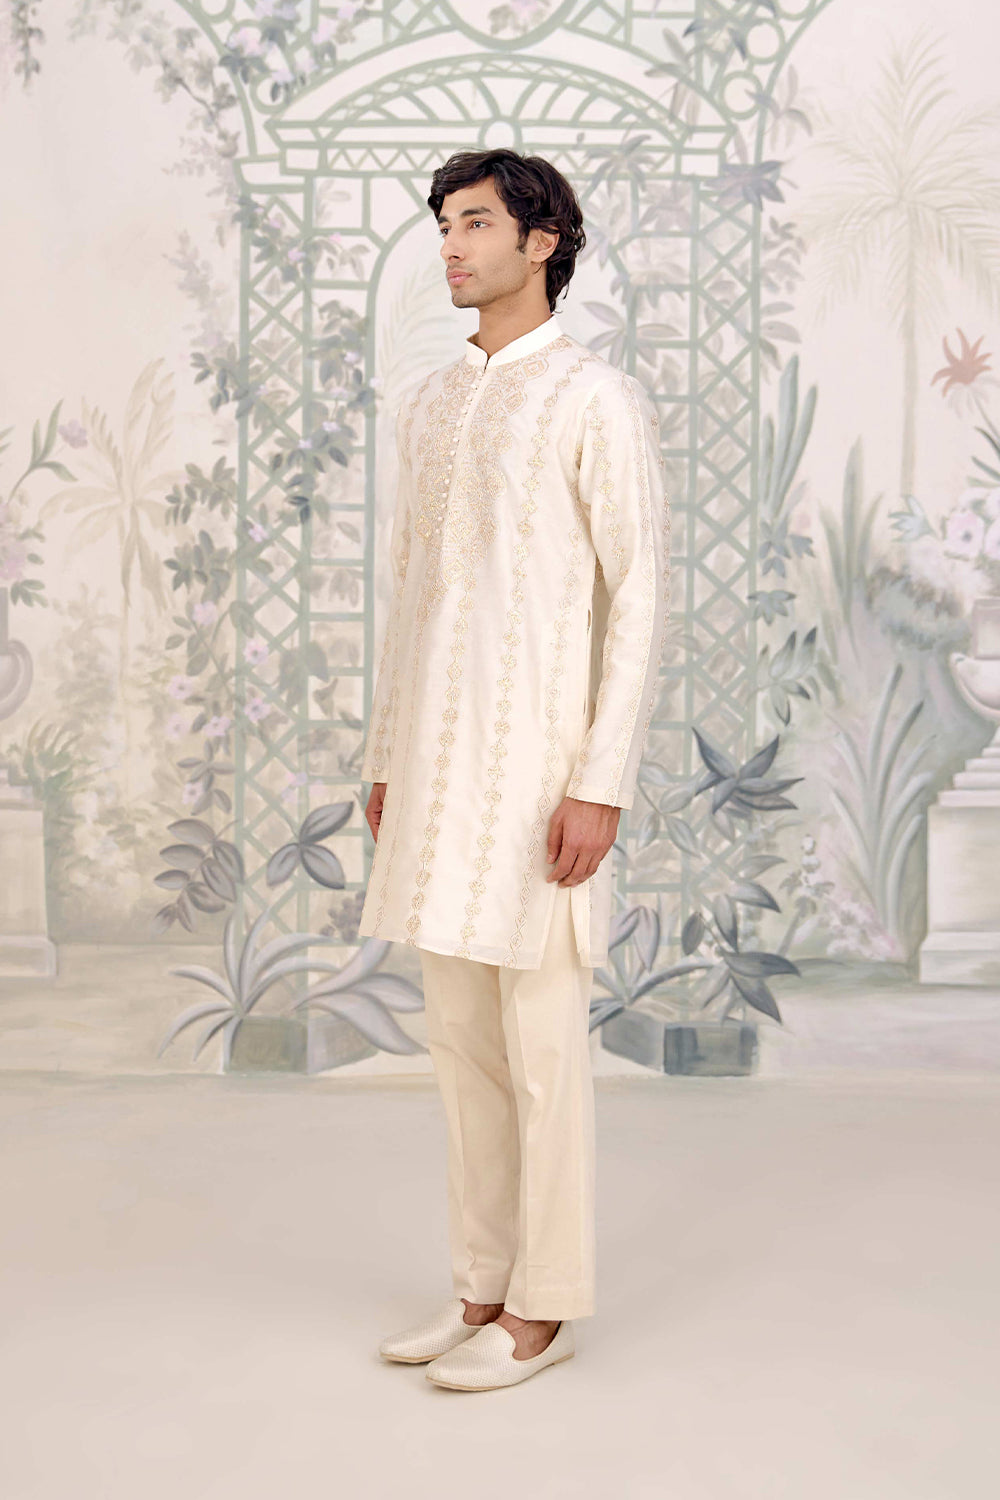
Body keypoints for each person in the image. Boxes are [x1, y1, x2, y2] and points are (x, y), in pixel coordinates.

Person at [360, 147, 670, 1391]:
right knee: (459, 1043)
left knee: (541, 1050)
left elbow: (638, 595)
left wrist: (601, 780)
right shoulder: (432, 402)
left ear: (542, 242)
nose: (451, 245)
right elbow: (411, 592)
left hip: (541, 773)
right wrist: (387, 754)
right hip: (437, 773)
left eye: (477, 223)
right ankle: (479, 1287)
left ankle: (544, 1309)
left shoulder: (593, 398)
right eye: (444, 223)